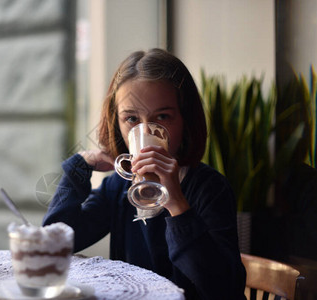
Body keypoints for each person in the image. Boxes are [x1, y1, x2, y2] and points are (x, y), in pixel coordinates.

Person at [43, 48, 246, 300]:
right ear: (116, 123)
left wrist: (176, 203)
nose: (146, 132)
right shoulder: (118, 187)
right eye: (131, 119)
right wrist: (78, 166)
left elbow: (224, 290)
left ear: (186, 119)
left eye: (162, 116)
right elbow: (54, 246)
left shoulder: (209, 188)